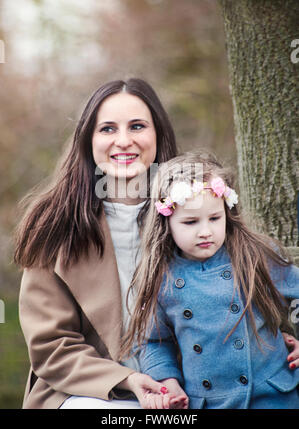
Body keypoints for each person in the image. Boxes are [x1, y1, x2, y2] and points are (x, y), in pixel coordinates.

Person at [14, 78, 179, 409]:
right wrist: (126, 380)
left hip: (178, 387)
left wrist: (279, 340)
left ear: (157, 135)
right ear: (88, 140)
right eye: (107, 129)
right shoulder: (55, 224)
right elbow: (52, 346)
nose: (123, 141)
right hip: (87, 393)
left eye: (137, 126)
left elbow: (241, 287)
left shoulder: (192, 212)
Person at [121, 150, 299, 409]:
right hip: (207, 403)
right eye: (190, 222)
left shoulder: (253, 255)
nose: (205, 232)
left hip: (273, 396)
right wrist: (168, 381)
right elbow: (153, 342)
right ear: (166, 222)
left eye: (215, 218)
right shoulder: (163, 278)